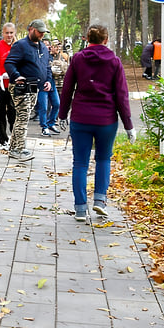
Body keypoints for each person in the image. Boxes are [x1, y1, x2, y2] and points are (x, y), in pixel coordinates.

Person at [58, 25, 134, 222]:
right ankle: (100, 201)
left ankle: (80, 209)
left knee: (80, 162)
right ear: (106, 40)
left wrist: (62, 115)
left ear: (86, 39)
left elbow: (67, 89)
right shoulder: (115, 62)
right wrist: (128, 125)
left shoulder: (77, 59)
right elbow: (122, 95)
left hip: (81, 118)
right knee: (103, 159)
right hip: (106, 120)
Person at [4, 19, 53, 161]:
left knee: (23, 115)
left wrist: (48, 80)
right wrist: (17, 76)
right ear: (31, 29)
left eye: (44, 32)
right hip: (21, 85)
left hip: (35, 86)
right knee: (23, 115)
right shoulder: (21, 45)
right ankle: (19, 149)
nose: (42, 34)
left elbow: (47, 66)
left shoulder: (43, 47)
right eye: (39, 32)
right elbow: (9, 63)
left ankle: (14, 147)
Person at [0, 23, 17, 148]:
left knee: (13, 111)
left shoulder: (18, 46)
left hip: (14, 84)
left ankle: (15, 137)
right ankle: (2, 140)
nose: (9, 35)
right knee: (0, 112)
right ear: (3, 33)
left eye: (11, 33)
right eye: (7, 33)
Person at [35, 40, 65, 136]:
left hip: (51, 83)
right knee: (43, 106)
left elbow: (49, 69)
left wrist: (49, 80)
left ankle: (51, 123)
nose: (48, 47)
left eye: (49, 45)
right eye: (46, 45)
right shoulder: (38, 55)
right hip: (41, 84)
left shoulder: (52, 56)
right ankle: (44, 127)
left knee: (56, 104)